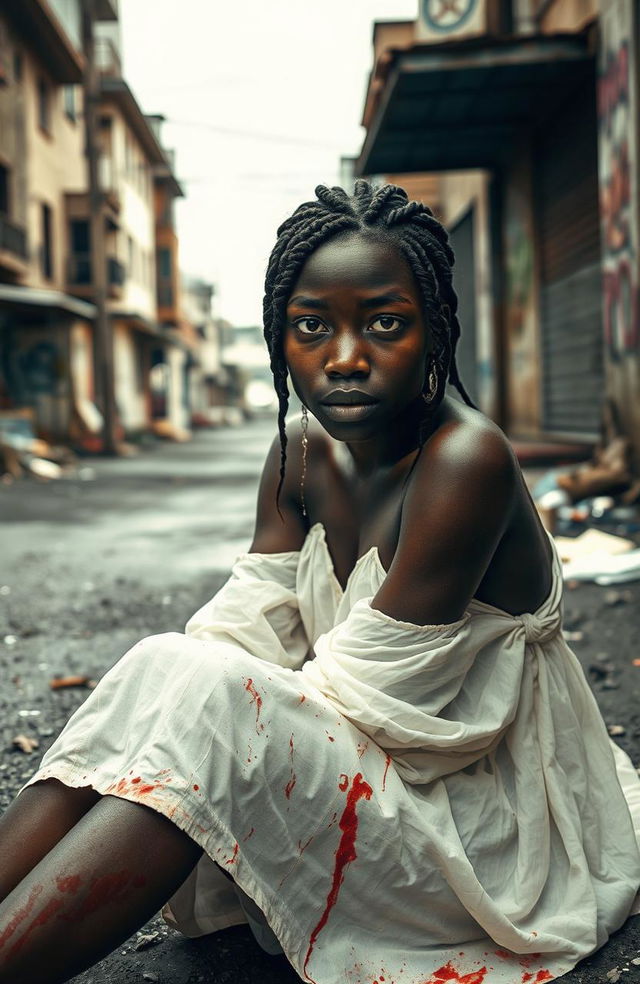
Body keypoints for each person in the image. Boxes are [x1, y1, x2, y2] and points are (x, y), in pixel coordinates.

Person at [0, 181, 638, 984]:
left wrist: (205, 716)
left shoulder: (463, 461)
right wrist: (184, 701)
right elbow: (238, 630)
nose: (343, 357)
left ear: (433, 326)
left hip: (470, 824)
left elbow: (369, 698)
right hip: (366, 770)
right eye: (312, 326)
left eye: (384, 323)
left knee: (209, 702)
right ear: (279, 335)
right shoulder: (299, 452)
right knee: (166, 664)